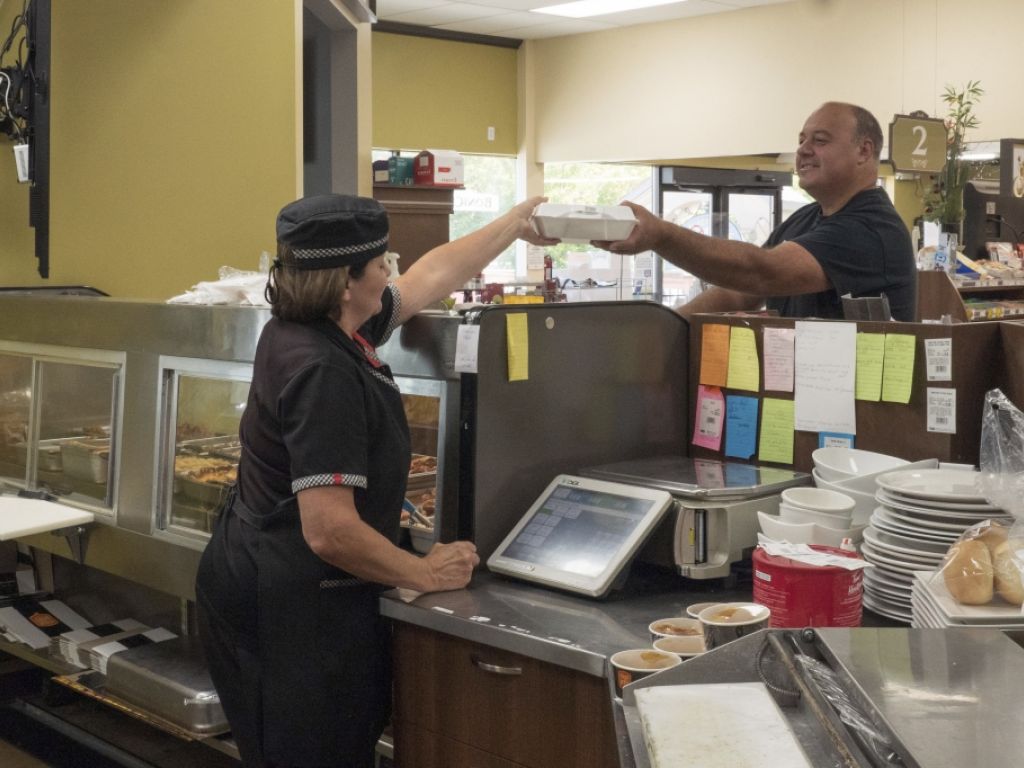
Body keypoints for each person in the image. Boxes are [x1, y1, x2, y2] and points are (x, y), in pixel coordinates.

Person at [195, 194, 556, 768]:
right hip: (291, 608)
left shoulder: (316, 324)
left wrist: (515, 222)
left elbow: (427, 277)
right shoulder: (323, 372)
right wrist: (424, 572)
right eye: (382, 263)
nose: (391, 272)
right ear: (346, 281)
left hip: (273, 583)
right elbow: (330, 531)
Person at [595, 102, 917, 321]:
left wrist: (661, 235)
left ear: (864, 151)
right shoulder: (804, 220)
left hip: (861, 417)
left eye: (820, 140)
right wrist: (666, 327)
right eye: (801, 140)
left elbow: (761, 272)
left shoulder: (873, 229)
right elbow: (738, 293)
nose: (803, 149)